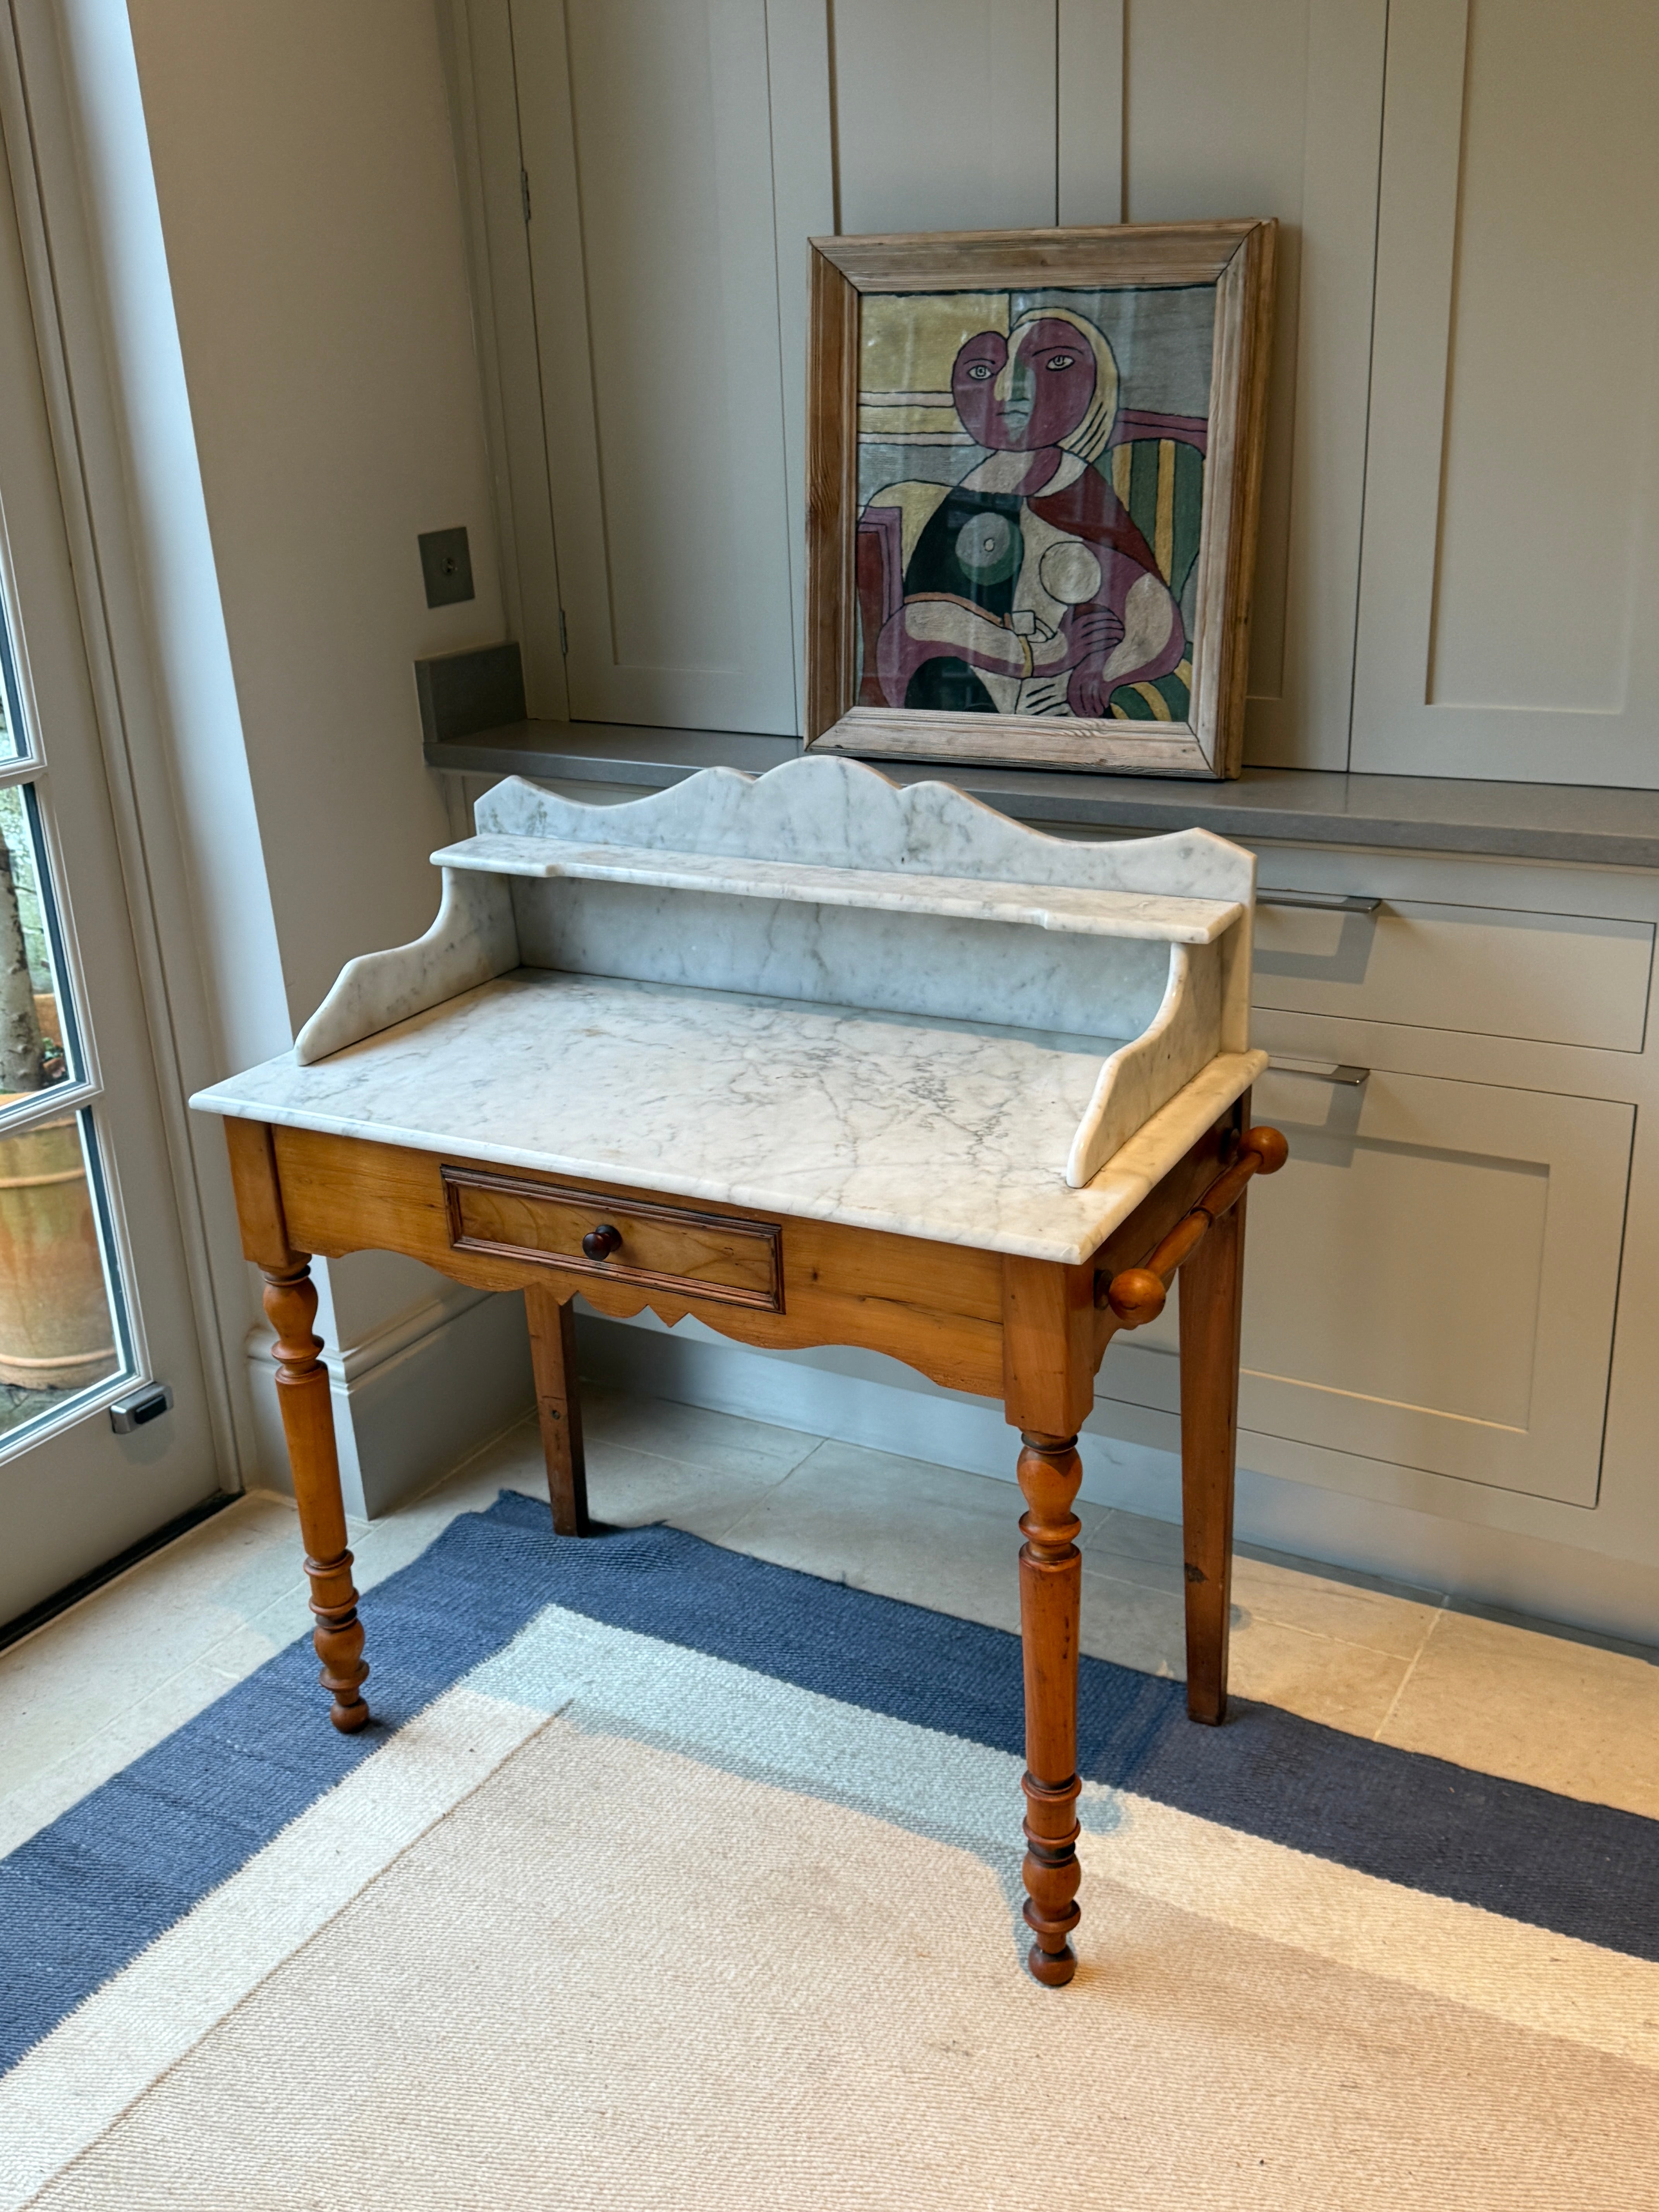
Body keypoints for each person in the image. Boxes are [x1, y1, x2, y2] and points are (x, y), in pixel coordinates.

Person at [856, 306, 1192, 721]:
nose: (1011, 390)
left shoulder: (1078, 492)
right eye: (982, 371)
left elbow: (1153, 617)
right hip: (956, 707)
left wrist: (1105, 672)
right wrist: (1043, 653)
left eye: (1055, 364)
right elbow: (914, 628)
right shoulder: (955, 502)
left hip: (1060, 714)